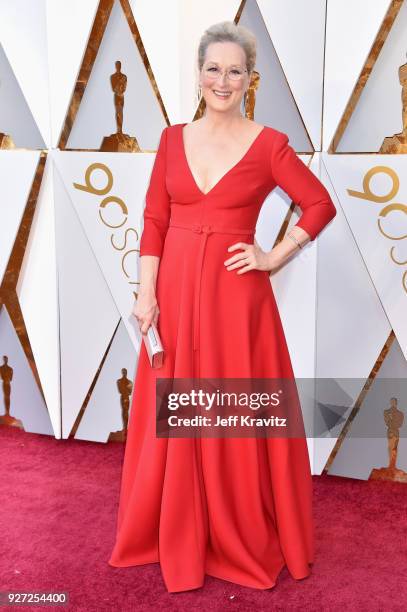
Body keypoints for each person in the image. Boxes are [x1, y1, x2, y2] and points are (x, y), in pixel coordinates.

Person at [108, 21, 337, 593]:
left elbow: (318, 204)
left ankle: (233, 530)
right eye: (214, 68)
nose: (223, 80)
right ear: (199, 73)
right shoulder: (169, 139)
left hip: (237, 303)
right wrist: (145, 292)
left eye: (235, 71)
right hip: (176, 295)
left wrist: (272, 255)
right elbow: (156, 221)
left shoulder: (269, 145)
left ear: (250, 80)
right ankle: (175, 526)